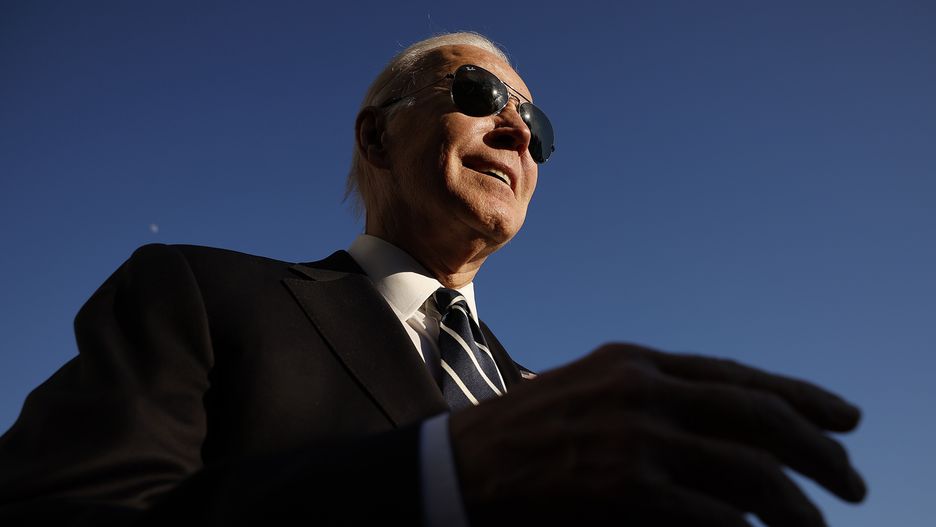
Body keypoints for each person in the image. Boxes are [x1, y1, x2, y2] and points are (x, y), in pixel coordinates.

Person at [0, 32, 865, 526]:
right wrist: (441, 472)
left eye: (538, 124)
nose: (518, 132)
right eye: (483, 93)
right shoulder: (196, 295)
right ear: (377, 139)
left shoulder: (550, 402)